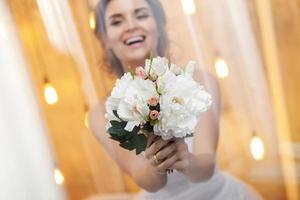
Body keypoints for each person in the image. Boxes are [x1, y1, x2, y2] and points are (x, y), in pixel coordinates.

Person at [89, 0, 263, 199]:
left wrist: (185, 158)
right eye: (117, 21)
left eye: (141, 15)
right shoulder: (102, 113)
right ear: (104, 38)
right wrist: (157, 163)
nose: (131, 26)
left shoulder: (198, 82)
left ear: (159, 25)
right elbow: (146, 180)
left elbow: (205, 168)